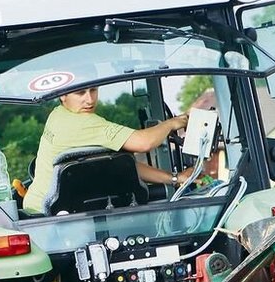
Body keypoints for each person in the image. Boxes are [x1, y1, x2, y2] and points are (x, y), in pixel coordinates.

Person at [21, 86, 217, 215]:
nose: (89, 100)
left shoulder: (58, 114)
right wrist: (173, 122)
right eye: (80, 93)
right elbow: (144, 143)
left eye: (93, 90)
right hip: (51, 214)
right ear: (63, 95)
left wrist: (174, 178)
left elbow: (120, 165)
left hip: (38, 207)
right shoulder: (83, 123)